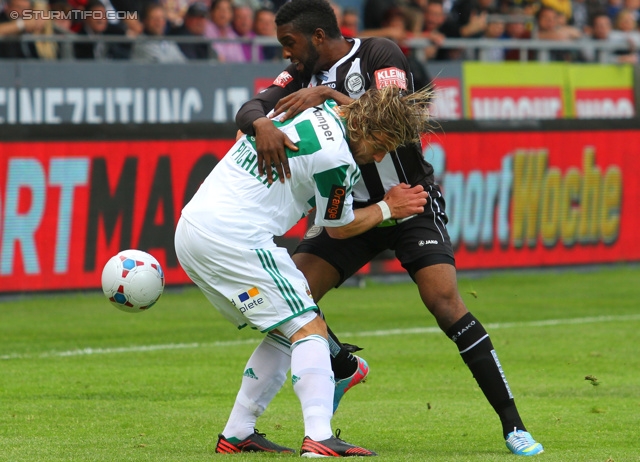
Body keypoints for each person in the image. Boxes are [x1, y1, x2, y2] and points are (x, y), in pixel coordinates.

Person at [235, 0, 544, 456]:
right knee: (291, 299)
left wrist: (327, 97)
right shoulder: (300, 74)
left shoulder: (379, 53)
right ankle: (340, 363)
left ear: (318, 36)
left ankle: (513, 426)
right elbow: (252, 105)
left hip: (407, 202)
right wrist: (261, 122)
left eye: (290, 43)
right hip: (347, 210)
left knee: (444, 302)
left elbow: (393, 115)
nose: (287, 54)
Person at [175, 84, 433, 456]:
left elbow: (245, 126)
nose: (378, 156)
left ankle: (237, 433)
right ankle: (319, 437)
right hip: (234, 237)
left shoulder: (307, 110)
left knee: (288, 326)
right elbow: (339, 227)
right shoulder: (336, 158)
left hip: (193, 229)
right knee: (309, 326)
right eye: (381, 145)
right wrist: (389, 207)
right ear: (366, 128)